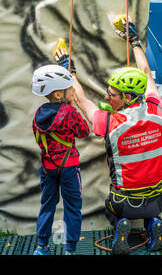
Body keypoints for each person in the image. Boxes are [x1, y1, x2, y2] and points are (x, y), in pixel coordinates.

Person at [58, 17, 162, 255]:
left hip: (124, 202)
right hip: (159, 197)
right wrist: (135, 41)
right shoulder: (157, 110)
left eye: (112, 95)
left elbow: (80, 100)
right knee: (151, 207)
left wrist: (70, 69)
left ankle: (121, 226)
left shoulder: (110, 122)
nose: (107, 98)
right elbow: (146, 73)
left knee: (113, 208)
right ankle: (153, 224)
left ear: (128, 98)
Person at [31, 64, 90, 255]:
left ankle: (42, 247)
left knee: (47, 204)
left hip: (48, 167)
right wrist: (73, 108)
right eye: (70, 87)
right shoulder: (70, 112)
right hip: (69, 167)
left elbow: (39, 138)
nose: (73, 90)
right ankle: (70, 250)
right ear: (58, 94)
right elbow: (84, 131)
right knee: (72, 207)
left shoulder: (38, 114)